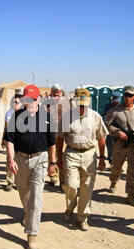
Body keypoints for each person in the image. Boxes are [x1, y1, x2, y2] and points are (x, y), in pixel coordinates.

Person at [5, 84, 56, 249]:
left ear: (39, 100)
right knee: (24, 192)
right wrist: (11, 159)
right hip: (20, 159)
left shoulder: (47, 118)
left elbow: (52, 143)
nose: (31, 103)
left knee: (36, 197)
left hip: (40, 159)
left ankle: (32, 234)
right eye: (27, 100)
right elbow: (10, 139)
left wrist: (53, 163)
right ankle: (27, 212)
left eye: (33, 100)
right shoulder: (16, 116)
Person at [57, 88, 108, 231]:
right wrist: (59, 158)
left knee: (87, 188)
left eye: (85, 105)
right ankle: (70, 206)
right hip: (71, 154)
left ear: (89, 103)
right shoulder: (67, 117)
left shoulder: (95, 117)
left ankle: (82, 218)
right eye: (80, 105)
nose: (82, 108)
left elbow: (101, 138)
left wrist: (102, 158)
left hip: (89, 156)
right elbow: (60, 138)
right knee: (71, 185)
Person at [105, 86, 134, 206]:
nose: (127, 98)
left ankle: (131, 194)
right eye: (126, 95)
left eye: (130, 95)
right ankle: (113, 181)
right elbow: (107, 123)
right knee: (116, 167)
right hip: (120, 144)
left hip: (133, 145)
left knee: (132, 170)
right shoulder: (116, 110)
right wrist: (117, 132)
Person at [46, 83, 71, 188]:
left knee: (62, 156)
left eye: (58, 91)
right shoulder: (46, 104)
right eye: (54, 91)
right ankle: (53, 178)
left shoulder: (66, 103)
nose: (56, 93)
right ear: (51, 92)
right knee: (51, 156)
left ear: (61, 92)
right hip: (50, 133)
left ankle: (62, 180)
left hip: (62, 134)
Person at [1, 89, 23, 191]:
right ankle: (10, 182)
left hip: (22, 141)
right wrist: (3, 139)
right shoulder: (8, 113)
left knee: (21, 161)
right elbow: (5, 128)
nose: (15, 104)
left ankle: (18, 182)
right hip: (11, 140)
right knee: (10, 160)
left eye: (17, 102)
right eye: (13, 102)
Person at [103, 91, 123, 165]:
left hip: (120, 132)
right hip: (110, 132)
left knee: (120, 150)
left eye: (118, 102)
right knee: (110, 148)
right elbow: (105, 120)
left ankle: (118, 164)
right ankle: (112, 163)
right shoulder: (108, 107)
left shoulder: (122, 107)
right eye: (116, 101)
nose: (117, 103)